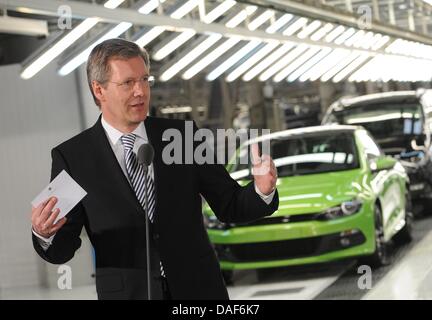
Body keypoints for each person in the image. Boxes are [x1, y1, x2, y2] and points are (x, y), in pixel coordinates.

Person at [31, 38, 279, 300]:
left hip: (198, 291)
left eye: (145, 80)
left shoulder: (182, 137)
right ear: (99, 90)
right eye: (128, 83)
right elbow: (62, 247)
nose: (140, 91)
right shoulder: (73, 158)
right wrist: (44, 234)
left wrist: (262, 191)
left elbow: (230, 205)